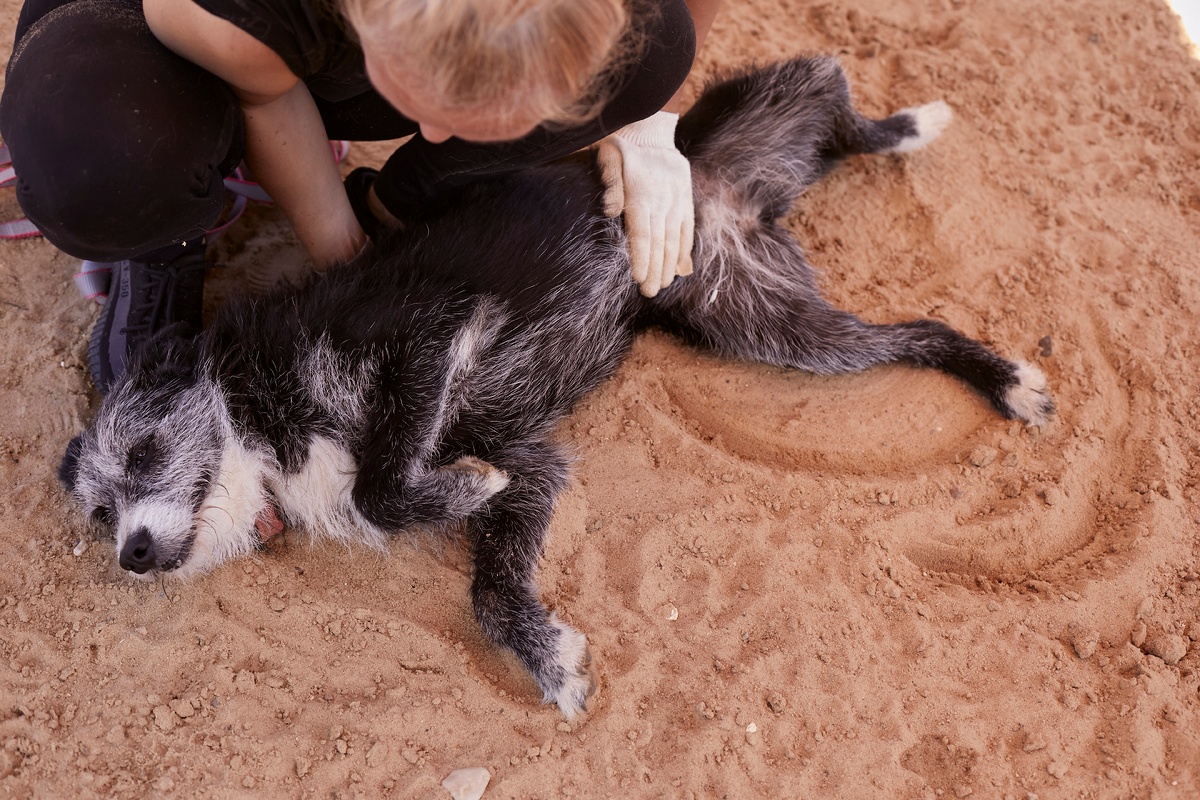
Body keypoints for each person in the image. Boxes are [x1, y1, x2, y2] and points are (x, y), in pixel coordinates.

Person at [0, 0, 720, 392]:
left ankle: (396, 205)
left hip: (314, 38)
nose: (434, 132)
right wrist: (339, 257)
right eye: (432, 111)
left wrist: (651, 122)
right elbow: (266, 91)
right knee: (98, 162)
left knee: (656, 49)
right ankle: (167, 237)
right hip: (175, 29)